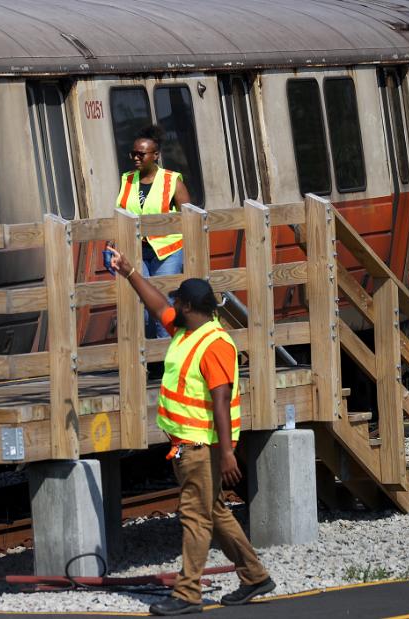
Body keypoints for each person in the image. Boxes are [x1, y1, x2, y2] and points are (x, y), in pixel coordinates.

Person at [107, 250, 275, 616]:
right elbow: (156, 307)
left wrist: (228, 452)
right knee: (213, 511)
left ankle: (188, 594)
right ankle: (255, 576)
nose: (172, 304)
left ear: (186, 305)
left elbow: (220, 400)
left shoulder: (213, 344)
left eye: (176, 301)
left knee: (195, 517)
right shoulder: (188, 330)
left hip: (201, 445)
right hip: (188, 442)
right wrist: (130, 271)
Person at [107, 125, 192, 341]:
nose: (136, 158)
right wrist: (111, 241)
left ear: (155, 155)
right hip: (137, 249)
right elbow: (122, 213)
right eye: (133, 153)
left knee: (163, 303)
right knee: (143, 302)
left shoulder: (173, 181)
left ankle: (167, 356)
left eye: (141, 154)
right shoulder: (127, 179)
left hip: (167, 250)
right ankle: (152, 359)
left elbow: (190, 217)